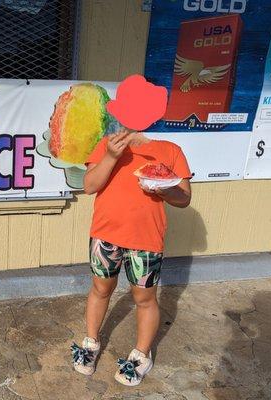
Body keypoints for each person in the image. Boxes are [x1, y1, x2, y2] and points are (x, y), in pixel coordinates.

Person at [70, 75, 193, 386]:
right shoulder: (105, 145)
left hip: (146, 240)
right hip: (105, 235)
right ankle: (91, 343)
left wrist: (164, 190)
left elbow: (184, 197)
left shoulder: (170, 150)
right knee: (100, 290)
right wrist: (111, 156)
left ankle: (141, 354)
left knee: (145, 298)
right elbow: (89, 186)